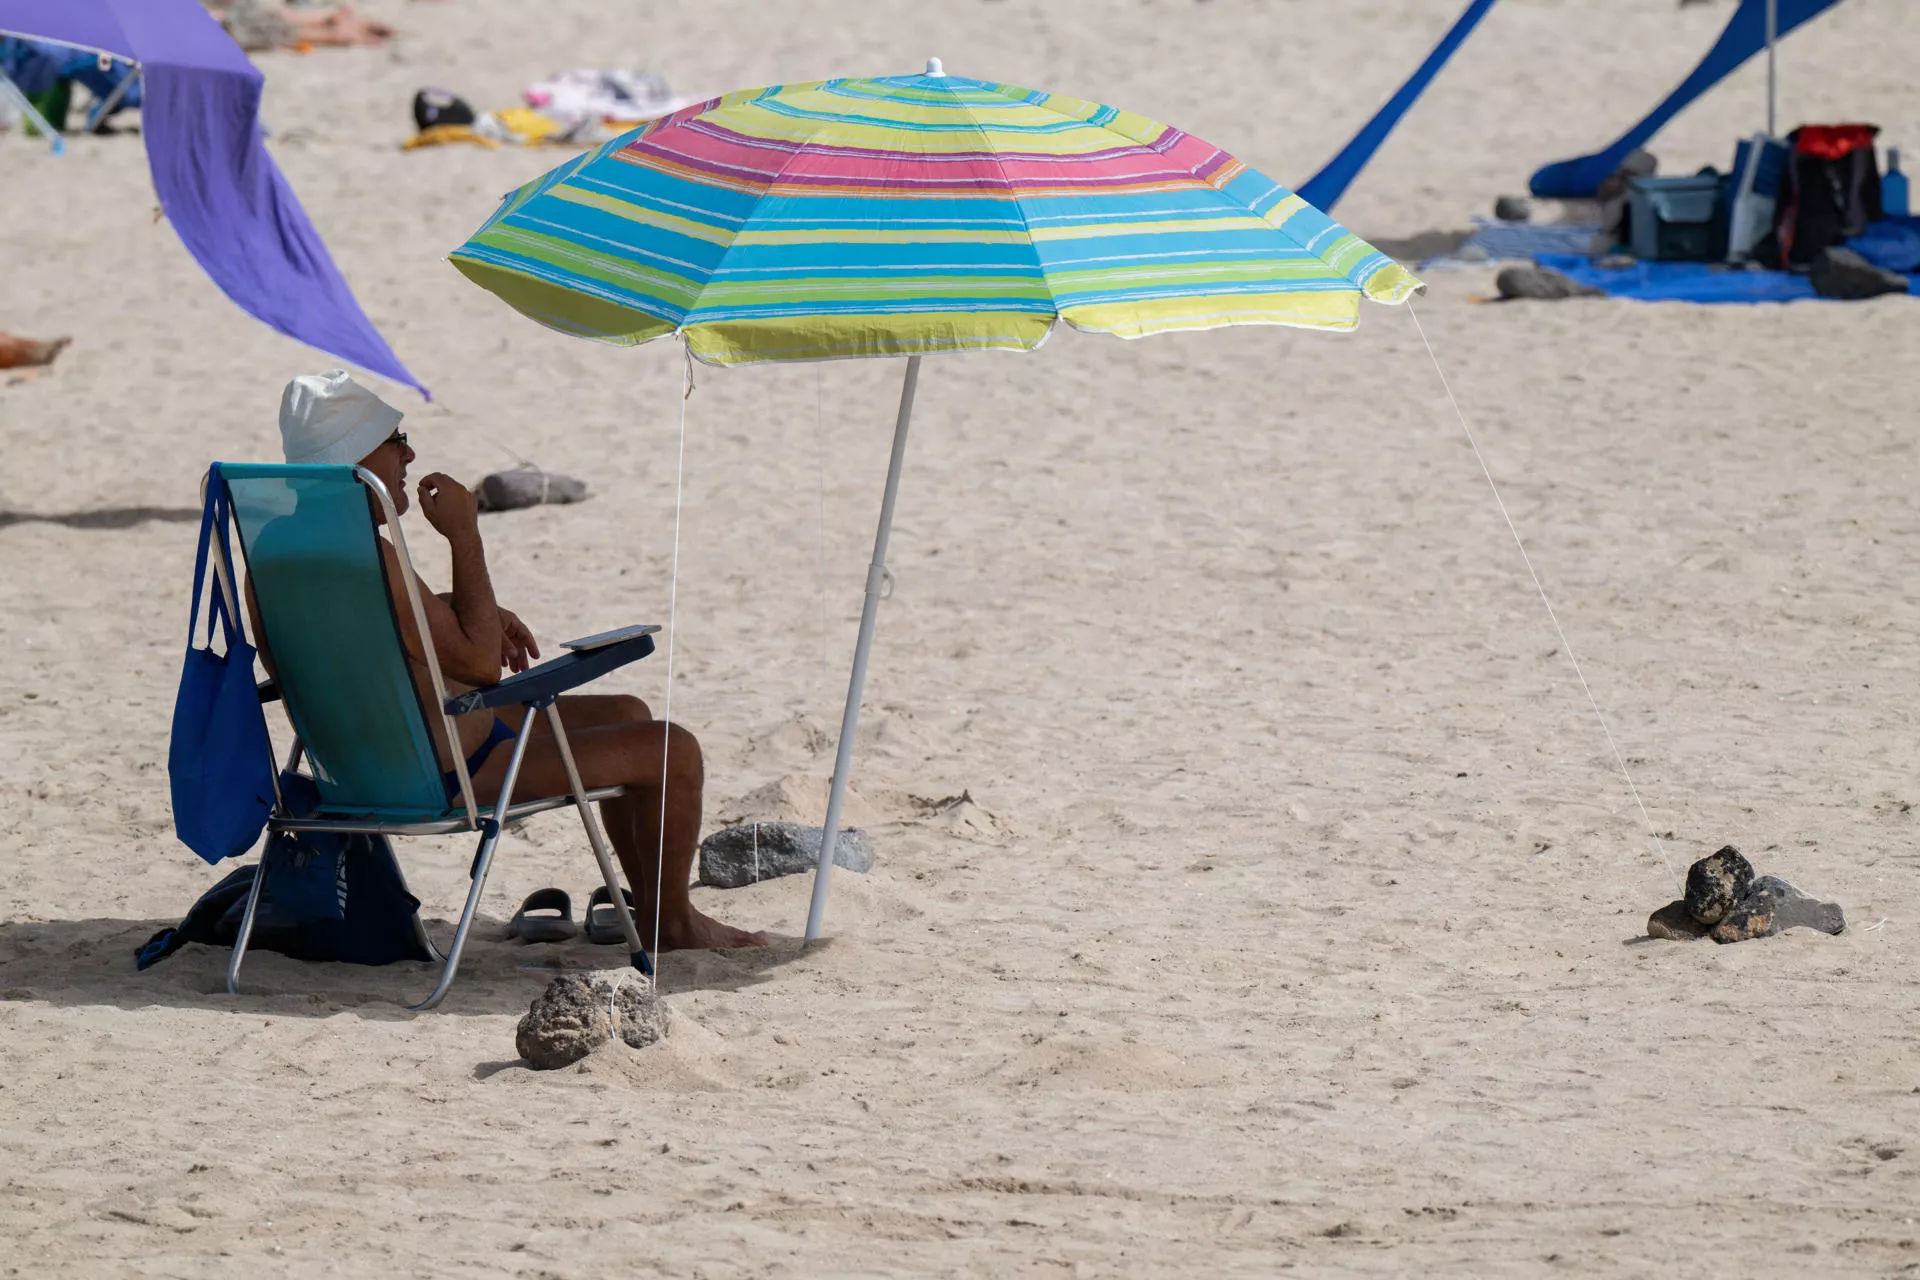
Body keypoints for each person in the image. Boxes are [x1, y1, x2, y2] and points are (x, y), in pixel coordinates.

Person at [260, 370, 765, 951]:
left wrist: (450, 611)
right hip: (446, 775)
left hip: (359, 767)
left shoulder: (276, 548)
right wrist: (464, 535)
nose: (410, 453)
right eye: (396, 438)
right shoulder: (372, 557)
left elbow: (335, 645)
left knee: (628, 708)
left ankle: (656, 908)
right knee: (673, 750)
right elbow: (481, 668)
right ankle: (672, 923)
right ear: (356, 456)